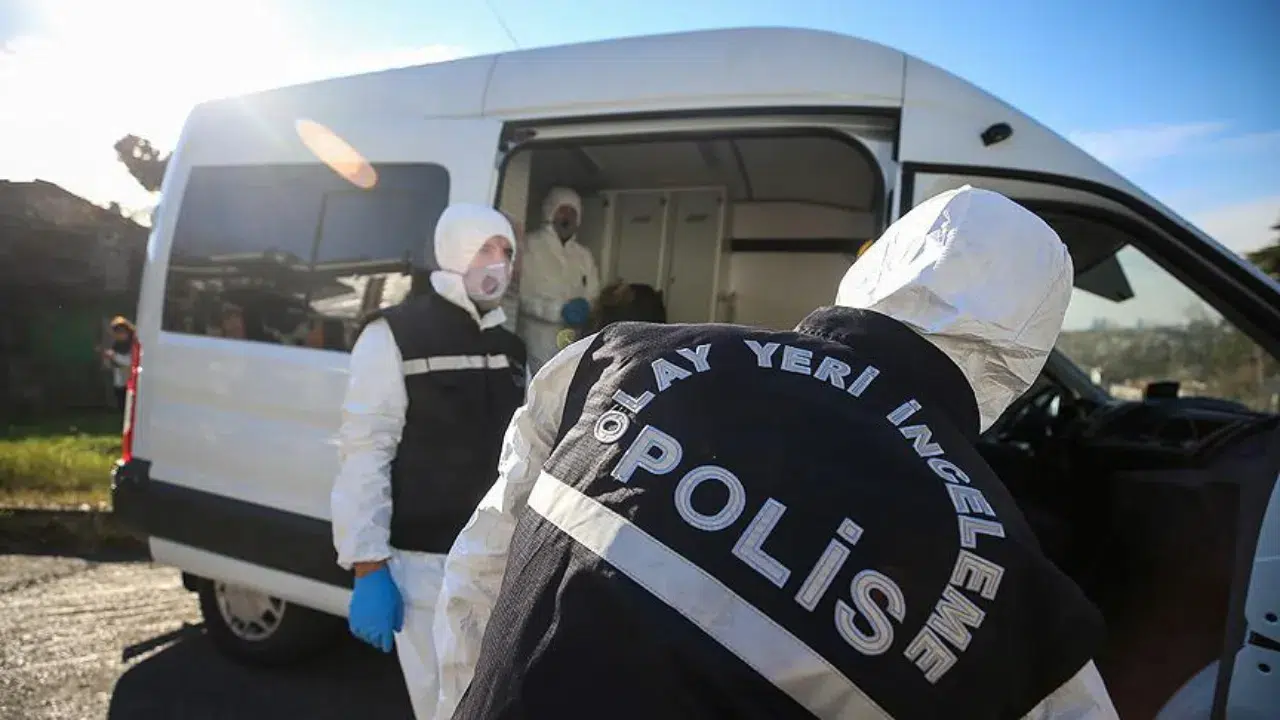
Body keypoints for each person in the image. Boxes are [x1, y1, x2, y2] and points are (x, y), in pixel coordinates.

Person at [431, 186, 1120, 719]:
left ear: (877, 265)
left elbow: (480, 572)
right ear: (1023, 355)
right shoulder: (1020, 606)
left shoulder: (616, 360)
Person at [330, 203, 527, 720]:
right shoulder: (394, 335)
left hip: (495, 561)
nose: (498, 263)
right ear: (455, 251)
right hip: (423, 566)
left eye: (505, 252)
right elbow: (366, 450)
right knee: (443, 706)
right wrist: (368, 565)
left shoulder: (510, 348)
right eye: (485, 248)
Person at [517, 186, 601, 374]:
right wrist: (557, 310)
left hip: (573, 340)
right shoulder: (531, 247)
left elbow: (594, 293)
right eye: (562, 210)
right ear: (550, 213)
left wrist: (587, 308)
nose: (567, 217)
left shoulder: (583, 255)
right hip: (537, 341)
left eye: (573, 212)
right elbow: (522, 296)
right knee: (539, 384)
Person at [100, 316, 135, 411]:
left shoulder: (134, 344)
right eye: (117, 332)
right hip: (120, 382)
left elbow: (130, 361)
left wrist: (114, 356)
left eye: (122, 332)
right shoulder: (117, 345)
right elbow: (112, 364)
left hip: (131, 382)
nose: (119, 335)